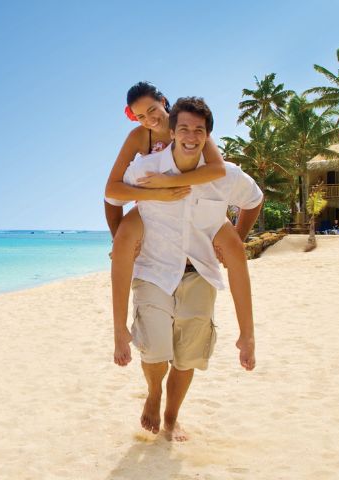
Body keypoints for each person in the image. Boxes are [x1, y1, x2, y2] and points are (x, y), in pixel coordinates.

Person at [106, 97, 262, 441]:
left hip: (200, 272)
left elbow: (254, 200)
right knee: (155, 349)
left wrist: (236, 236)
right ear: (172, 133)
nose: (191, 136)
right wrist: (121, 236)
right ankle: (154, 393)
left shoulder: (226, 176)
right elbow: (112, 196)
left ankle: (172, 417)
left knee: (187, 358)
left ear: (207, 136)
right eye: (185, 129)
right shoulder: (146, 170)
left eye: (199, 130)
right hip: (154, 271)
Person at [104, 83, 247, 367]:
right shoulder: (138, 136)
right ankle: (120, 331)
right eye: (140, 116)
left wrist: (170, 182)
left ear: (163, 101)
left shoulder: (187, 127)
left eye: (152, 110)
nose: (149, 120)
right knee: (123, 242)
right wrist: (154, 196)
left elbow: (217, 168)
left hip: (191, 202)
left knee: (233, 247)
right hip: (152, 205)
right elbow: (112, 189)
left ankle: (247, 335)